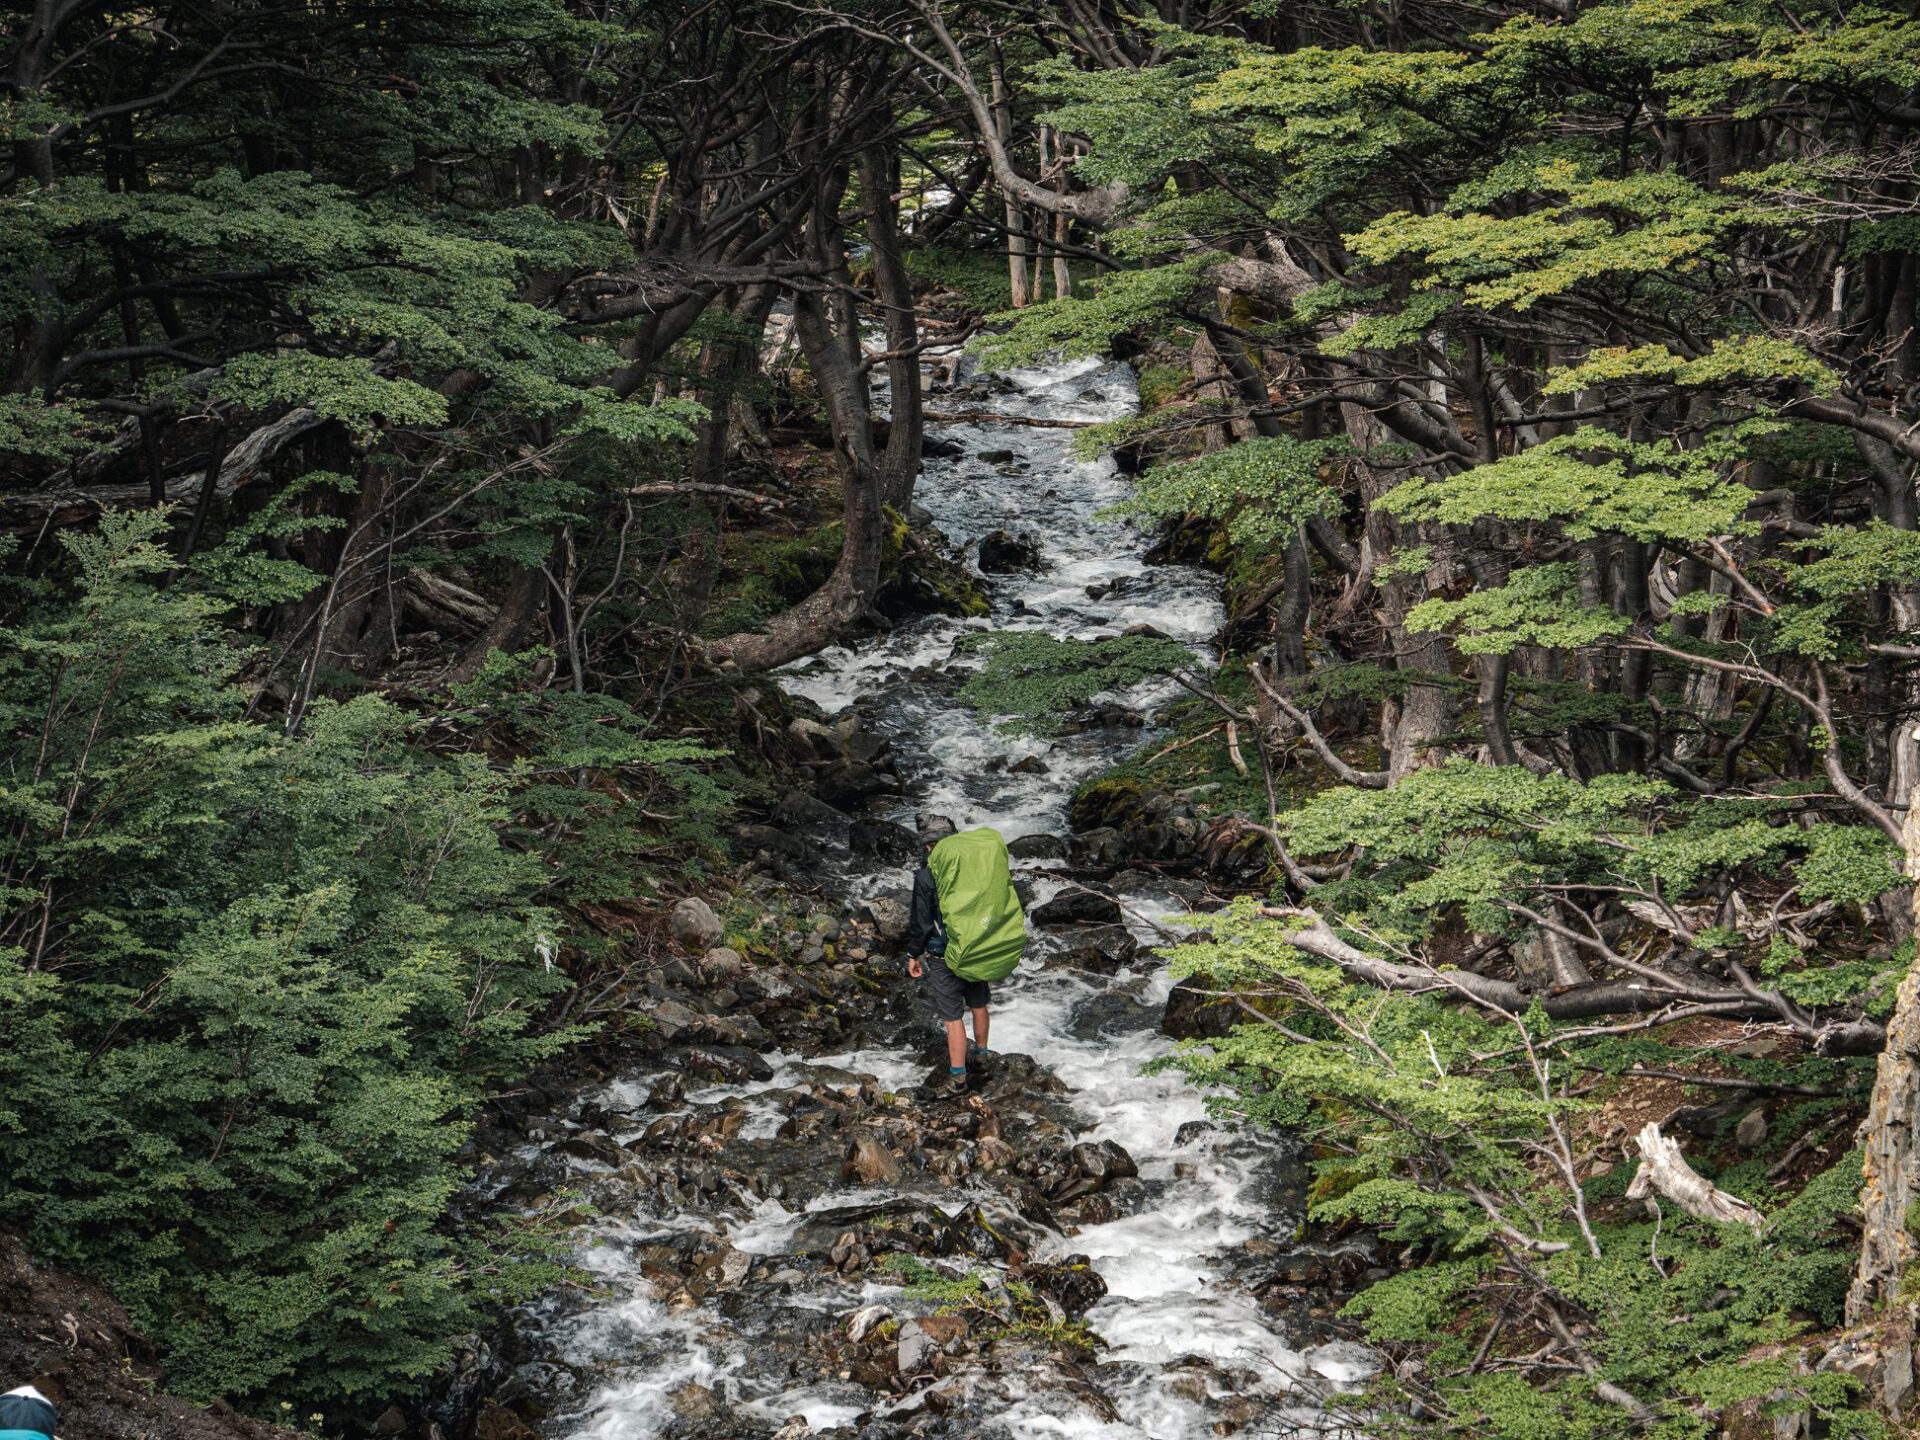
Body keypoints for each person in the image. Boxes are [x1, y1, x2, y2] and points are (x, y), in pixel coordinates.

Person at [902, 812, 1026, 1096]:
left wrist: (913, 954)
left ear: (929, 846)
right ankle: (981, 1055)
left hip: (943, 954)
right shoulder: (975, 866)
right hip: (977, 945)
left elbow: (921, 923)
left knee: (952, 1017)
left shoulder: (927, 875)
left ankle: (958, 1078)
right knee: (979, 1003)